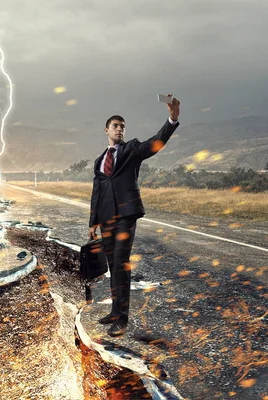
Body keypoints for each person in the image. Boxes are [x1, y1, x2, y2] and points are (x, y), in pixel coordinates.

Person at [88, 95, 181, 337]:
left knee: (121, 263)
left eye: (122, 126)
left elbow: (156, 142)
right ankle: (115, 311)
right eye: (115, 126)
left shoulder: (132, 149)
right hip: (106, 218)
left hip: (126, 216)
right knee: (112, 266)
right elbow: (96, 191)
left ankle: (123, 318)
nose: (120, 129)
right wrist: (93, 222)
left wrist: (172, 119)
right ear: (106, 130)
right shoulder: (100, 160)